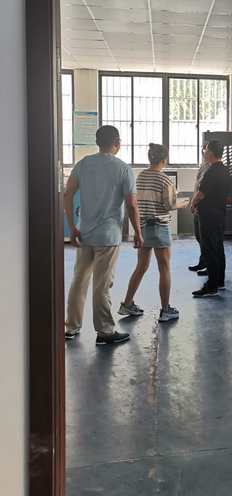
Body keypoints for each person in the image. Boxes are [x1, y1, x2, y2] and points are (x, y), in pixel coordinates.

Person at [64, 125, 143, 346]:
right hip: (108, 237)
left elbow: (67, 195)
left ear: (97, 142)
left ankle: (71, 326)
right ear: (117, 143)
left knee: (79, 281)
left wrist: (72, 227)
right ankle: (105, 331)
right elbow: (132, 204)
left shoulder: (83, 164)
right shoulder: (123, 169)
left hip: (84, 234)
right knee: (102, 285)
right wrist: (137, 232)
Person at [118, 143, 190, 323]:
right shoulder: (165, 180)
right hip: (160, 227)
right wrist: (183, 203)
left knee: (141, 267)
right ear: (164, 160)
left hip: (142, 228)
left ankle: (127, 304)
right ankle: (165, 310)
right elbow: (170, 205)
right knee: (164, 268)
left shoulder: (140, 176)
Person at [190, 139, 230, 298]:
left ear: (211, 153)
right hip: (220, 214)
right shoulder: (224, 170)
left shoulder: (212, 172)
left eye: (205, 149)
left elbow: (201, 194)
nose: (204, 151)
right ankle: (219, 281)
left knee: (209, 250)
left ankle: (211, 286)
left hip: (209, 216)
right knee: (218, 248)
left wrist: (193, 203)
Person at [188, 140, 210, 275]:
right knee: (199, 236)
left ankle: (209, 265)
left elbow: (204, 191)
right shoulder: (204, 166)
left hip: (204, 207)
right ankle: (203, 261)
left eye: (205, 149)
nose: (203, 152)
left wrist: (196, 203)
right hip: (198, 206)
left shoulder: (212, 168)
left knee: (206, 238)